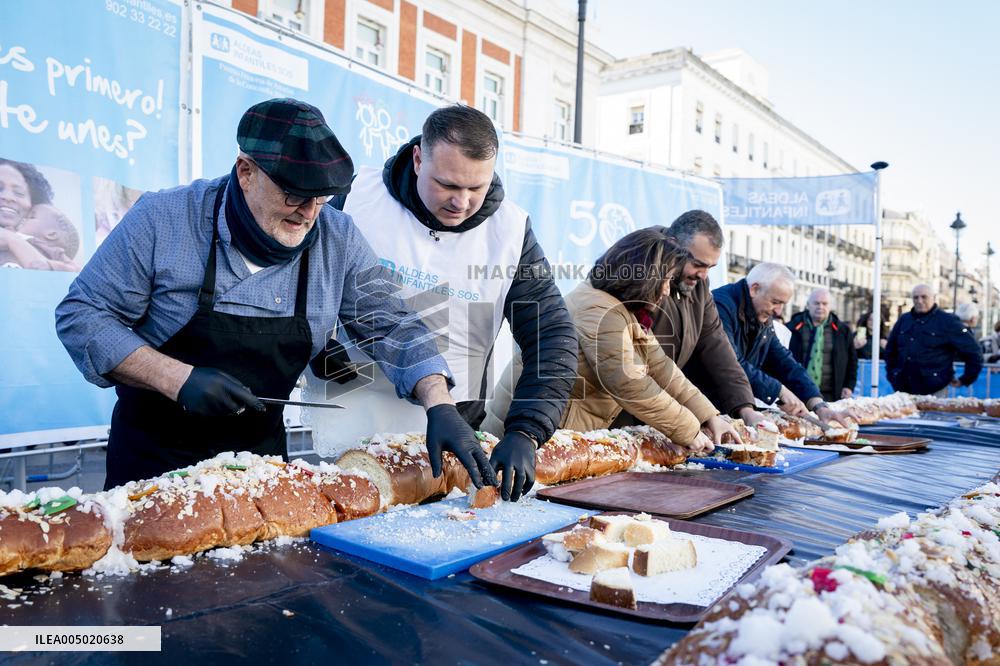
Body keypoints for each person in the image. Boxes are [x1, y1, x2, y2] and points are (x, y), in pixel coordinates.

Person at [56, 98, 497, 492]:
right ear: (246, 172)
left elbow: (391, 323)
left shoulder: (336, 237)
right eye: (293, 195)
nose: (308, 213)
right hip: (151, 469)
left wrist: (439, 404)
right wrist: (177, 379)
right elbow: (82, 317)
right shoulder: (165, 220)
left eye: (322, 197)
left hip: (260, 469)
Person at [328, 103, 577, 502]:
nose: (461, 202)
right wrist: (317, 340)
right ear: (417, 157)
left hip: (454, 427)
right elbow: (297, 280)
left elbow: (553, 335)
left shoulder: (511, 231)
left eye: (476, 188)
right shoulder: (356, 197)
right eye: (447, 184)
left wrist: (528, 430)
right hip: (343, 413)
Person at [560, 228, 740, 452]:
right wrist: (688, 429)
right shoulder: (598, 309)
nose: (666, 290)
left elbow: (662, 368)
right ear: (643, 276)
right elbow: (631, 383)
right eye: (664, 280)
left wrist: (709, 416)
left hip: (566, 429)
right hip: (545, 432)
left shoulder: (626, 310)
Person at [646, 210, 769, 431]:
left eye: (710, 268)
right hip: (624, 411)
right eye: (698, 264)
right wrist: (696, 418)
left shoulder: (699, 285)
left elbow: (717, 344)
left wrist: (745, 407)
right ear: (673, 246)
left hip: (663, 410)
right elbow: (645, 364)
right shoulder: (642, 280)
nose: (703, 275)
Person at [711, 262, 851, 426]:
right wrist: (779, 390)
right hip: (708, 408)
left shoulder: (760, 313)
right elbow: (730, 362)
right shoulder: (721, 306)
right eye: (776, 302)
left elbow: (784, 361)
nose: (778, 311)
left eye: (782, 304)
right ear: (754, 289)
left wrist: (818, 404)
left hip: (729, 407)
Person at [884, 284, 982, 396]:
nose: (919, 301)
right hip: (903, 389)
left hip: (934, 390)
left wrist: (966, 379)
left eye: (924, 297)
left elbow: (973, 351)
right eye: (916, 297)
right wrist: (893, 375)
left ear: (933, 298)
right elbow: (890, 351)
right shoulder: (904, 320)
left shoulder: (948, 321)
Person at [788, 288, 858, 401]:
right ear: (808, 305)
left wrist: (849, 386)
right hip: (797, 393)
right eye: (816, 303)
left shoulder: (843, 331)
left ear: (830, 307)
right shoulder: (792, 327)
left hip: (831, 393)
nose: (820, 307)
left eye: (824, 304)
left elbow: (852, 361)